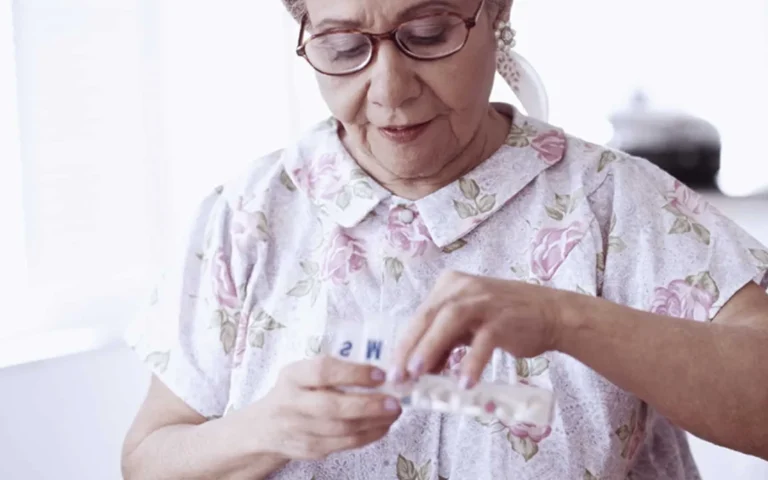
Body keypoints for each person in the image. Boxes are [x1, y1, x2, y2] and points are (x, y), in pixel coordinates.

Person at [120, 0, 768, 478]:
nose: (390, 91)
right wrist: (263, 429)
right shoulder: (247, 217)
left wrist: (568, 318)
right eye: (344, 48)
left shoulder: (614, 204)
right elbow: (147, 460)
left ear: (497, 14)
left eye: (428, 35)